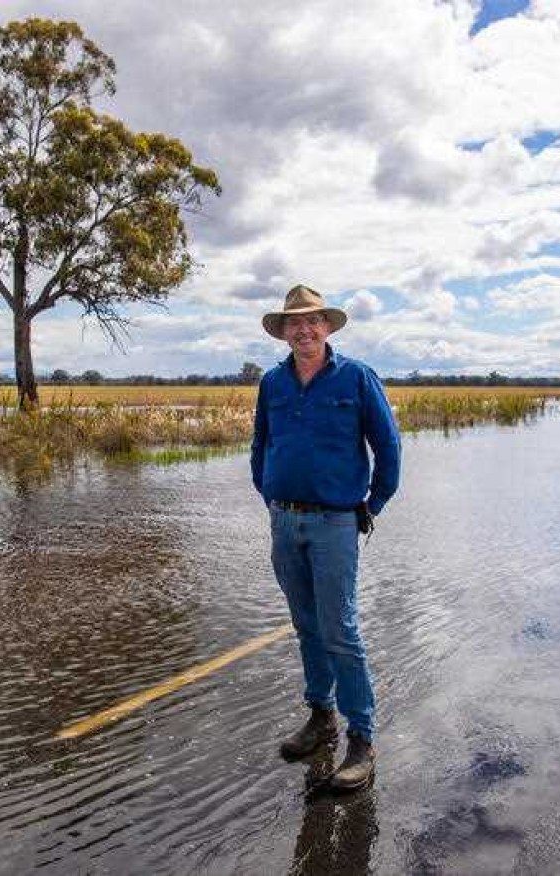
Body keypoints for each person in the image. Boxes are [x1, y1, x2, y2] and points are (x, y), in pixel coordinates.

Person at [251, 283, 401, 791]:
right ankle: (322, 718)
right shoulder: (272, 383)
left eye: (313, 320)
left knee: (339, 628)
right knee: (306, 625)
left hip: (337, 522)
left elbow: (389, 449)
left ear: (328, 327)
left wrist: (370, 505)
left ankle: (362, 739)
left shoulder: (356, 377)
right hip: (284, 521)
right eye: (295, 322)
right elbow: (260, 446)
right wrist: (272, 497)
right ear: (284, 330)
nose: (305, 329)